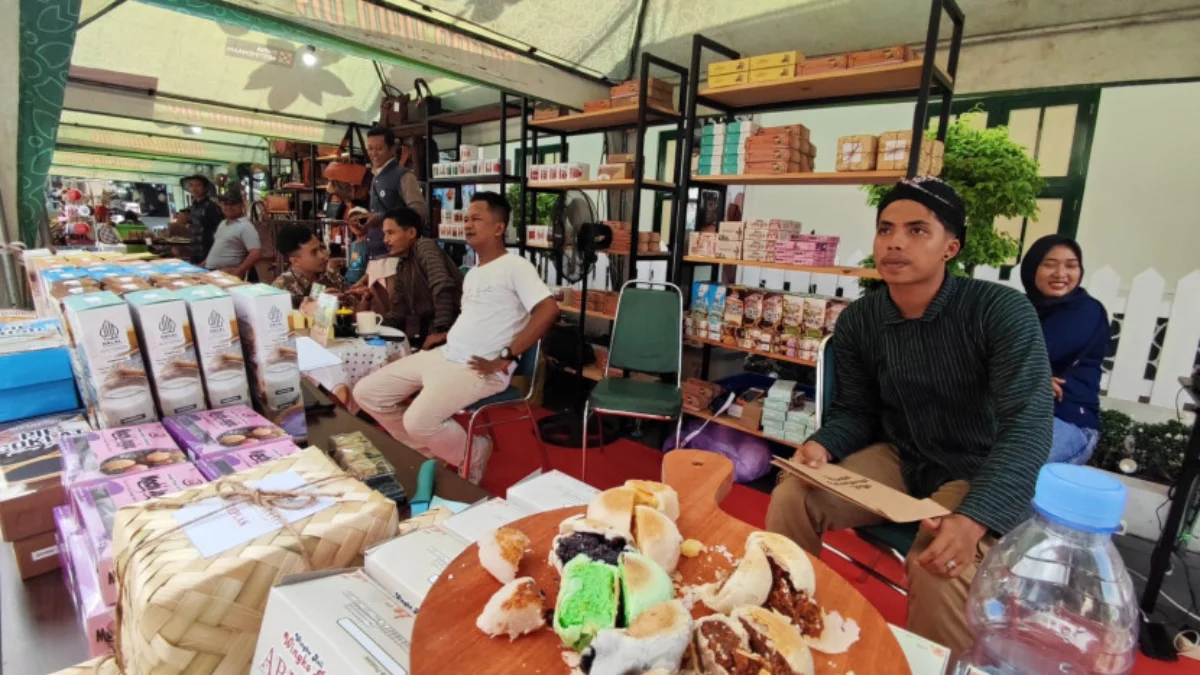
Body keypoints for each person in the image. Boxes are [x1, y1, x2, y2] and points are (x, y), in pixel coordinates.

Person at [765, 177, 1053, 655]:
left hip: (977, 467)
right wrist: (823, 444)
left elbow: (1029, 423)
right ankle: (780, 625)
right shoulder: (861, 320)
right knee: (794, 494)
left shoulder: (999, 312)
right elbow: (855, 410)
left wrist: (975, 516)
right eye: (886, 229)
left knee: (938, 564)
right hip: (903, 455)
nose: (895, 242)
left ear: (951, 247)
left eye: (918, 230)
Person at [353, 192, 558, 484]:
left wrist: (506, 357)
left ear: (498, 228)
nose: (467, 225)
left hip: (480, 367)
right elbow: (479, 317)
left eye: (477, 219)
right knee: (366, 393)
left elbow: (548, 309)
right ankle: (437, 452)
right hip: (447, 354)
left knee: (417, 420)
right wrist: (445, 334)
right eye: (466, 219)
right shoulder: (473, 273)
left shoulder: (516, 266)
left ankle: (472, 454)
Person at [1021, 234, 1109, 465]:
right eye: (1049, 264)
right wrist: (1032, 376)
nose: (1060, 274)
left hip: (1066, 420)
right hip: (1013, 414)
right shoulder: (1019, 307)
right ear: (1032, 268)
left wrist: (1027, 375)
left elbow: (1035, 354)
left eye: (1071, 266)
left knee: (1013, 467)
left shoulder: (1086, 310)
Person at [361, 207, 462, 349]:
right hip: (429, 333)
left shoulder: (425, 246)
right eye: (384, 234)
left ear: (411, 233)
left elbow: (442, 286)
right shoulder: (402, 264)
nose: (385, 240)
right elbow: (398, 314)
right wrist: (369, 327)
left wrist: (441, 330)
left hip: (454, 332)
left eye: (391, 233)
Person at [364, 126, 427, 282]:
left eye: (379, 148)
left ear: (392, 149)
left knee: (394, 297)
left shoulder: (404, 176)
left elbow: (418, 211)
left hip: (395, 257)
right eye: (370, 148)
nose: (373, 153)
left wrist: (382, 218)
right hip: (375, 255)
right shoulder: (375, 176)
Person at [272, 225, 346, 310]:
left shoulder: (331, 277)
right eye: (314, 252)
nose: (322, 255)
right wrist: (315, 305)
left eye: (321, 248)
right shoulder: (281, 290)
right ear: (296, 261)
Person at [204, 189, 262, 280]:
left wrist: (238, 271)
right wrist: (203, 264)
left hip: (226, 275)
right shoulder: (223, 223)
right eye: (225, 204)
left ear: (241, 205)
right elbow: (218, 249)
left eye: (233, 204)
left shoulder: (246, 226)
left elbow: (255, 253)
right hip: (211, 272)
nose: (229, 207)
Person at [182, 175, 223, 265]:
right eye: (191, 185)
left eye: (198, 185)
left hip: (208, 250)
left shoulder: (212, 207)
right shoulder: (194, 205)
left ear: (205, 188)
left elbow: (220, 231)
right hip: (194, 249)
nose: (194, 188)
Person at [343, 206, 370, 285]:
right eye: (353, 221)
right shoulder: (352, 245)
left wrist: (359, 284)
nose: (356, 224)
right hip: (348, 284)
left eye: (361, 221)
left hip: (361, 287)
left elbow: (374, 270)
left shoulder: (371, 243)